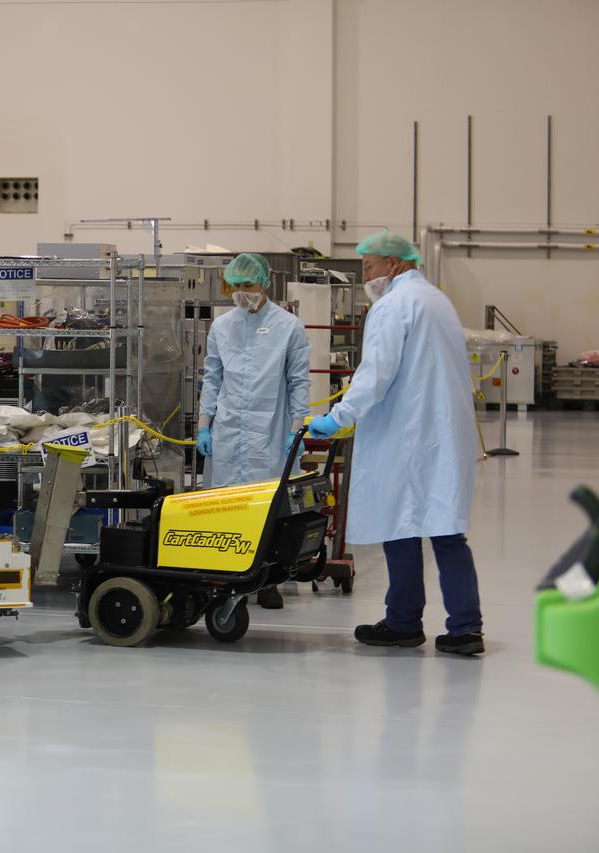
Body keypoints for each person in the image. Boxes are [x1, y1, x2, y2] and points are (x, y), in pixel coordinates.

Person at [308, 231, 484, 656]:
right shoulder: (437, 300)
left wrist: (337, 417)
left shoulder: (394, 306)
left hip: (408, 434)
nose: (366, 275)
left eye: (369, 267)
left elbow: (376, 373)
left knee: (400, 525)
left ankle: (404, 622)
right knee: (444, 529)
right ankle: (465, 627)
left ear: (394, 263)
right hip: (440, 432)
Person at [196, 252, 311, 609]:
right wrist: (204, 425)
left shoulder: (289, 327)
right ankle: (228, 576)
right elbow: (212, 378)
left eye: (248, 285)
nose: (242, 292)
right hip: (228, 431)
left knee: (268, 507)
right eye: (237, 286)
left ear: (264, 282)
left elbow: (298, 383)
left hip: (271, 431)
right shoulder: (222, 326)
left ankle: (268, 580)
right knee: (227, 505)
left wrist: (297, 429)